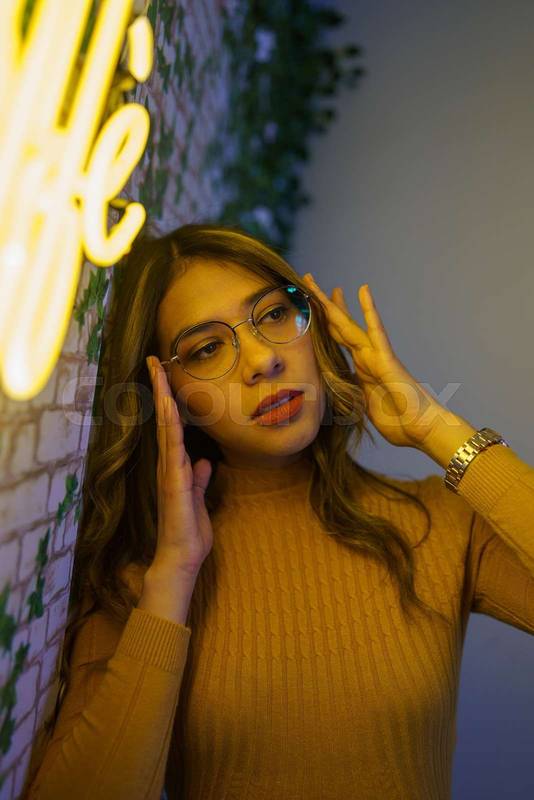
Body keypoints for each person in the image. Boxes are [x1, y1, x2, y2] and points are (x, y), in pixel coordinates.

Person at [23, 223, 534, 800]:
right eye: (207, 348)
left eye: (272, 315)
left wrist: (435, 428)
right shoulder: (138, 583)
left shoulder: (439, 525)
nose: (263, 360)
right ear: (168, 397)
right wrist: (173, 578)